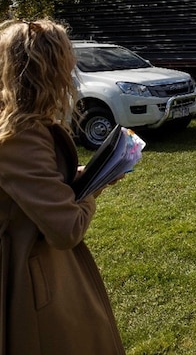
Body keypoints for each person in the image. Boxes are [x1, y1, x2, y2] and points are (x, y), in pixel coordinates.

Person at [0, 19, 126, 354]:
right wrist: (91, 188)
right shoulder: (21, 135)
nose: (71, 73)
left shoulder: (17, 124)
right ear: (45, 71)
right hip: (31, 278)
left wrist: (77, 176)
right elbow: (66, 228)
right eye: (66, 64)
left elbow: (28, 188)